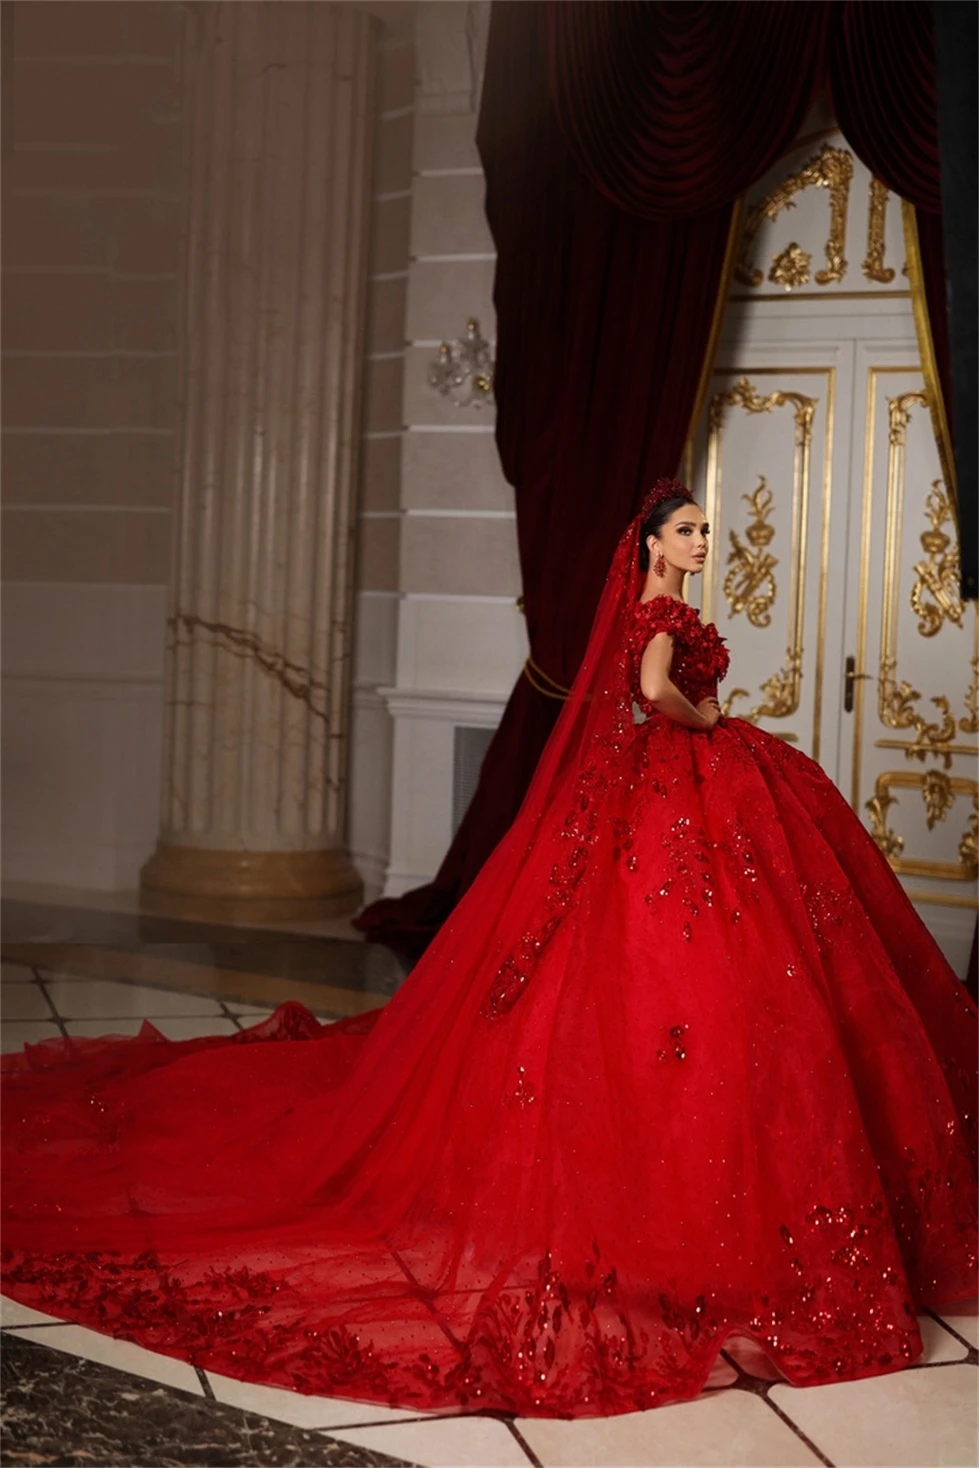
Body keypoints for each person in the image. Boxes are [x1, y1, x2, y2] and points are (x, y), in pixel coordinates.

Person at [2, 478, 975, 1419]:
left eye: (703, 534)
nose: (699, 545)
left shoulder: (658, 600)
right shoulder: (662, 613)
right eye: (686, 534)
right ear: (649, 544)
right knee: (700, 961)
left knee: (680, 965)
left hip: (661, 790)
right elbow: (650, 693)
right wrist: (712, 718)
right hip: (678, 776)